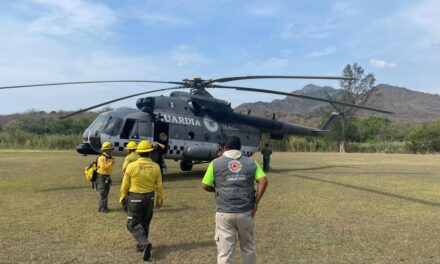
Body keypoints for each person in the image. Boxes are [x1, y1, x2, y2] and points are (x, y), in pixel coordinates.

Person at [202, 136, 268, 264]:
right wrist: (256, 202)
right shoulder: (251, 162)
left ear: (225, 147)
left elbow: (205, 185)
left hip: (224, 212)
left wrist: (218, 190)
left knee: (225, 252)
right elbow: (263, 181)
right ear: (240, 148)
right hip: (246, 212)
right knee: (248, 248)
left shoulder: (215, 163)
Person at [119, 140, 163, 261]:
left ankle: (144, 243)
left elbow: (125, 184)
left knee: (132, 223)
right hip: (150, 198)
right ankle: (141, 246)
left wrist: (122, 197)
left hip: (135, 198)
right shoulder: (156, 166)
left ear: (138, 153)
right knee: (145, 222)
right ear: (150, 153)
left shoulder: (131, 166)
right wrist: (159, 199)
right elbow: (159, 185)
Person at [96, 141, 115, 213]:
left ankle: (102, 207)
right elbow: (103, 167)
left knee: (105, 192)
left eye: (111, 149)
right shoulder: (101, 158)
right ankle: (103, 208)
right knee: (103, 192)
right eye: (110, 149)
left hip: (106, 176)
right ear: (106, 150)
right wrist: (111, 163)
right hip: (101, 177)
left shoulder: (108, 157)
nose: (111, 151)